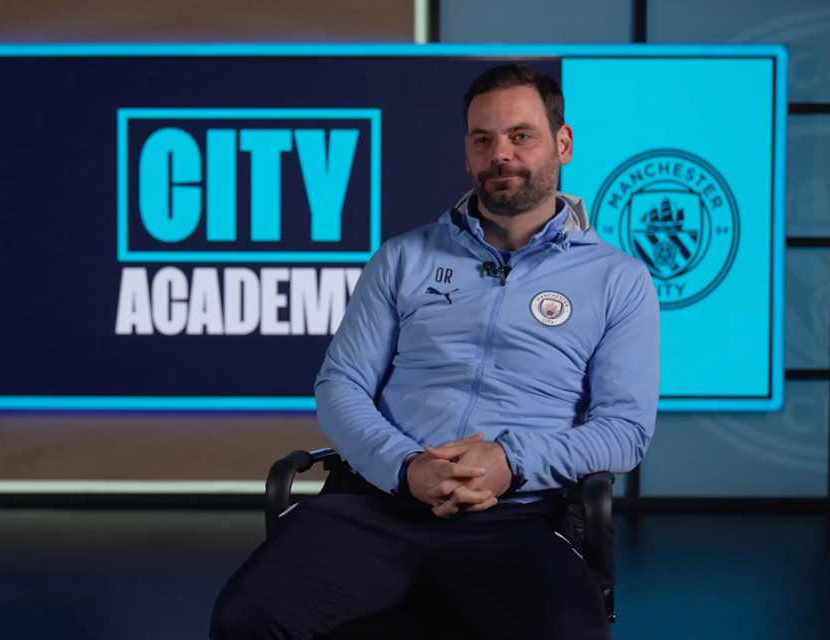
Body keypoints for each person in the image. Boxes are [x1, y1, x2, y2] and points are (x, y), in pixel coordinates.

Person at [210, 63, 660, 640]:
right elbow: (340, 385)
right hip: (379, 504)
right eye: (482, 139)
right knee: (245, 618)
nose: (500, 154)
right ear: (467, 153)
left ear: (562, 144)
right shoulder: (403, 258)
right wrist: (405, 467)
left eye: (521, 135)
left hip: (518, 516)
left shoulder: (618, 279)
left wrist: (511, 461)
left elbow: (624, 430)